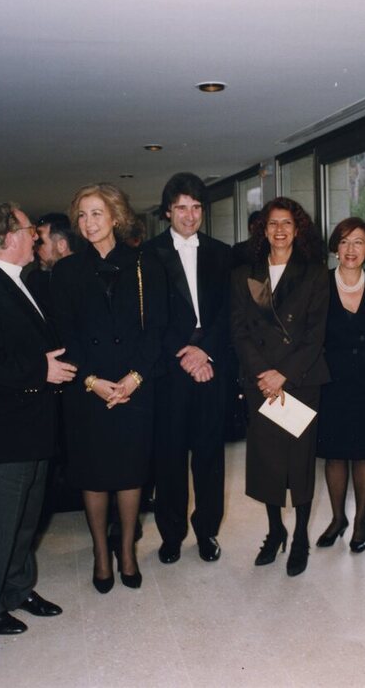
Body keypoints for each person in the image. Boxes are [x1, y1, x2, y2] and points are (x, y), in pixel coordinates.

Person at [0, 202, 75, 634]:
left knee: (25, 519)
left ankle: (17, 589)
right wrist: (39, 370)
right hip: (3, 431)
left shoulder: (19, 282)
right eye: (29, 231)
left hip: (31, 426)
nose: (37, 238)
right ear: (7, 238)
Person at [49, 183, 165, 593]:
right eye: (82, 215)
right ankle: (101, 554)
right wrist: (92, 382)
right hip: (89, 389)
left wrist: (135, 378)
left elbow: (157, 331)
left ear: (115, 217)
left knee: (131, 473)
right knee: (93, 475)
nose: (88, 222)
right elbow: (64, 335)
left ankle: (127, 552)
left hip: (134, 385)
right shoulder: (64, 272)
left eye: (97, 213)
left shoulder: (144, 264)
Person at [230, 197, 329, 577]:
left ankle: (301, 536)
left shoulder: (315, 273)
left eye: (287, 223)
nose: (280, 230)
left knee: (300, 463)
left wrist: (282, 374)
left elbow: (315, 335)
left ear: (298, 229)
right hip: (260, 382)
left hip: (300, 379)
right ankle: (275, 532)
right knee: (268, 462)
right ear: (263, 229)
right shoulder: (244, 273)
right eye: (273, 223)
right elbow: (239, 332)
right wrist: (263, 374)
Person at [145, 173, 231, 564]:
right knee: (170, 457)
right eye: (181, 207)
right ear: (168, 211)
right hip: (171, 369)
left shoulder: (221, 253)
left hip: (211, 366)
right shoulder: (147, 255)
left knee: (210, 456)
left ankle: (207, 531)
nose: (190, 215)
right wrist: (186, 354)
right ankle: (171, 534)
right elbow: (148, 319)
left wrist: (205, 352)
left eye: (196, 207)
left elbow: (231, 313)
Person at [315, 217, 365, 554]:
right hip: (330, 384)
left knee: (363, 455)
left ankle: (360, 520)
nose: (350, 249)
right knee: (334, 456)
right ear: (335, 248)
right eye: (344, 242)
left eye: (358, 242)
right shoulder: (317, 287)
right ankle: (337, 518)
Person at [25, 212, 78, 319]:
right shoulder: (35, 280)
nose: (35, 248)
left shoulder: (87, 278)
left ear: (61, 245)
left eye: (41, 242)